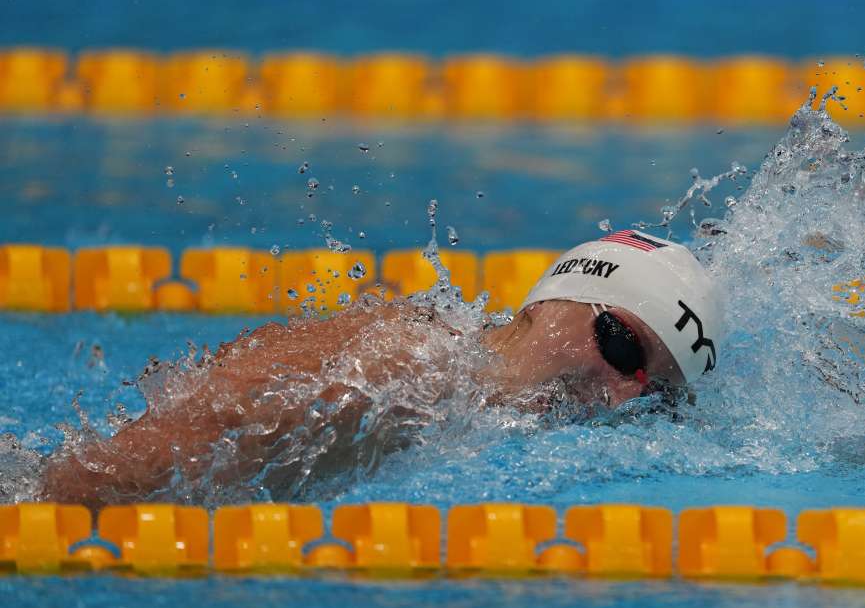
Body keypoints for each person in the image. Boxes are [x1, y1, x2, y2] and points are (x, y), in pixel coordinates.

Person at [39, 230, 724, 508]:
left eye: (651, 395)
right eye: (622, 348)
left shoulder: (468, 403)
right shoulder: (405, 367)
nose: (613, 399)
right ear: (557, 301)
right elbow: (160, 446)